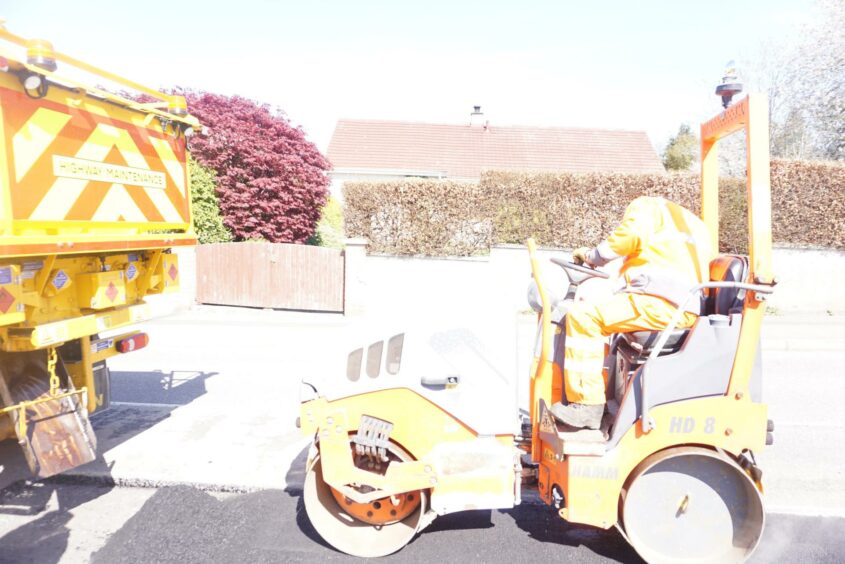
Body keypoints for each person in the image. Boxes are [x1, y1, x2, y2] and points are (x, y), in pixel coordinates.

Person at [550, 196, 715, 430]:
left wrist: (591, 256)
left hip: (660, 303)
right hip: (682, 306)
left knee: (583, 317)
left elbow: (628, 237)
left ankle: (587, 406)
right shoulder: (694, 223)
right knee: (598, 313)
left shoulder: (648, 206)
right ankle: (600, 397)